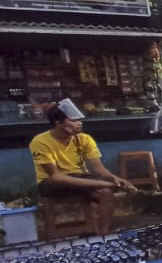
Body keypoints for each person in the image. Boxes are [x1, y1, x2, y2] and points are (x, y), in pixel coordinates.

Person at [29, 100, 137, 236]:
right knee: (100, 185)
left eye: (79, 120)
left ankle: (103, 235)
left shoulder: (85, 139)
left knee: (106, 192)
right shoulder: (40, 141)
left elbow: (98, 168)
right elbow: (56, 177)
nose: (79, 123)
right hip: (51, 183)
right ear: (59, 124)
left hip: (80, 179)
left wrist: (115, 178)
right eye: (73, 120)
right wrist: (109, 183)